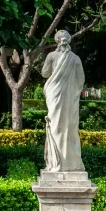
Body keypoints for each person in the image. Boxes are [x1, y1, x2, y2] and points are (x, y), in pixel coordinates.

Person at [41, 30, 86, 172]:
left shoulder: (53, 56)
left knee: (62, 125)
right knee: (67, 125)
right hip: (62, 95)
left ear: (57, 41)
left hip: (55, 92)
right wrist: (73, 93)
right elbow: (81, 80)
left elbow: (44, 73)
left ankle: (60, 162)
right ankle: (61, 162)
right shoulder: (75, 59)